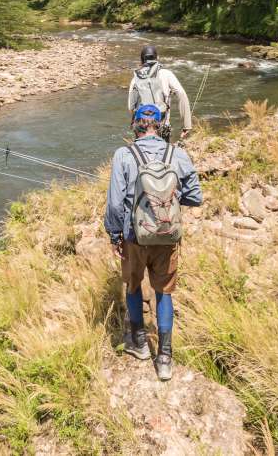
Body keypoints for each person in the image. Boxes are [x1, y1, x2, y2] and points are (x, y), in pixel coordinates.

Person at [104, 104, 203, 381]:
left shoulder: (123, 154)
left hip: (134, 237)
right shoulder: (178, 154)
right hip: (167, 236)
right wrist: (168, 202)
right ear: (160, 125)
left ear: (135, 124)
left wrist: (114, 234)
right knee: (164, 293)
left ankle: (139, 345)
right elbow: (195, 196)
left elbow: (114, 203)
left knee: (133, 286)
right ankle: (165, 358)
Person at [128, 45, 193, 142]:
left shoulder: (136, 78)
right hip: (162, 127)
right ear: (156, 58)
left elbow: (131, 107)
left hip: (142, 129)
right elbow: (181, 94)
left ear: (142, 60)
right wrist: (186, 125)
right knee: (164, 154)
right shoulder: (166, 74)